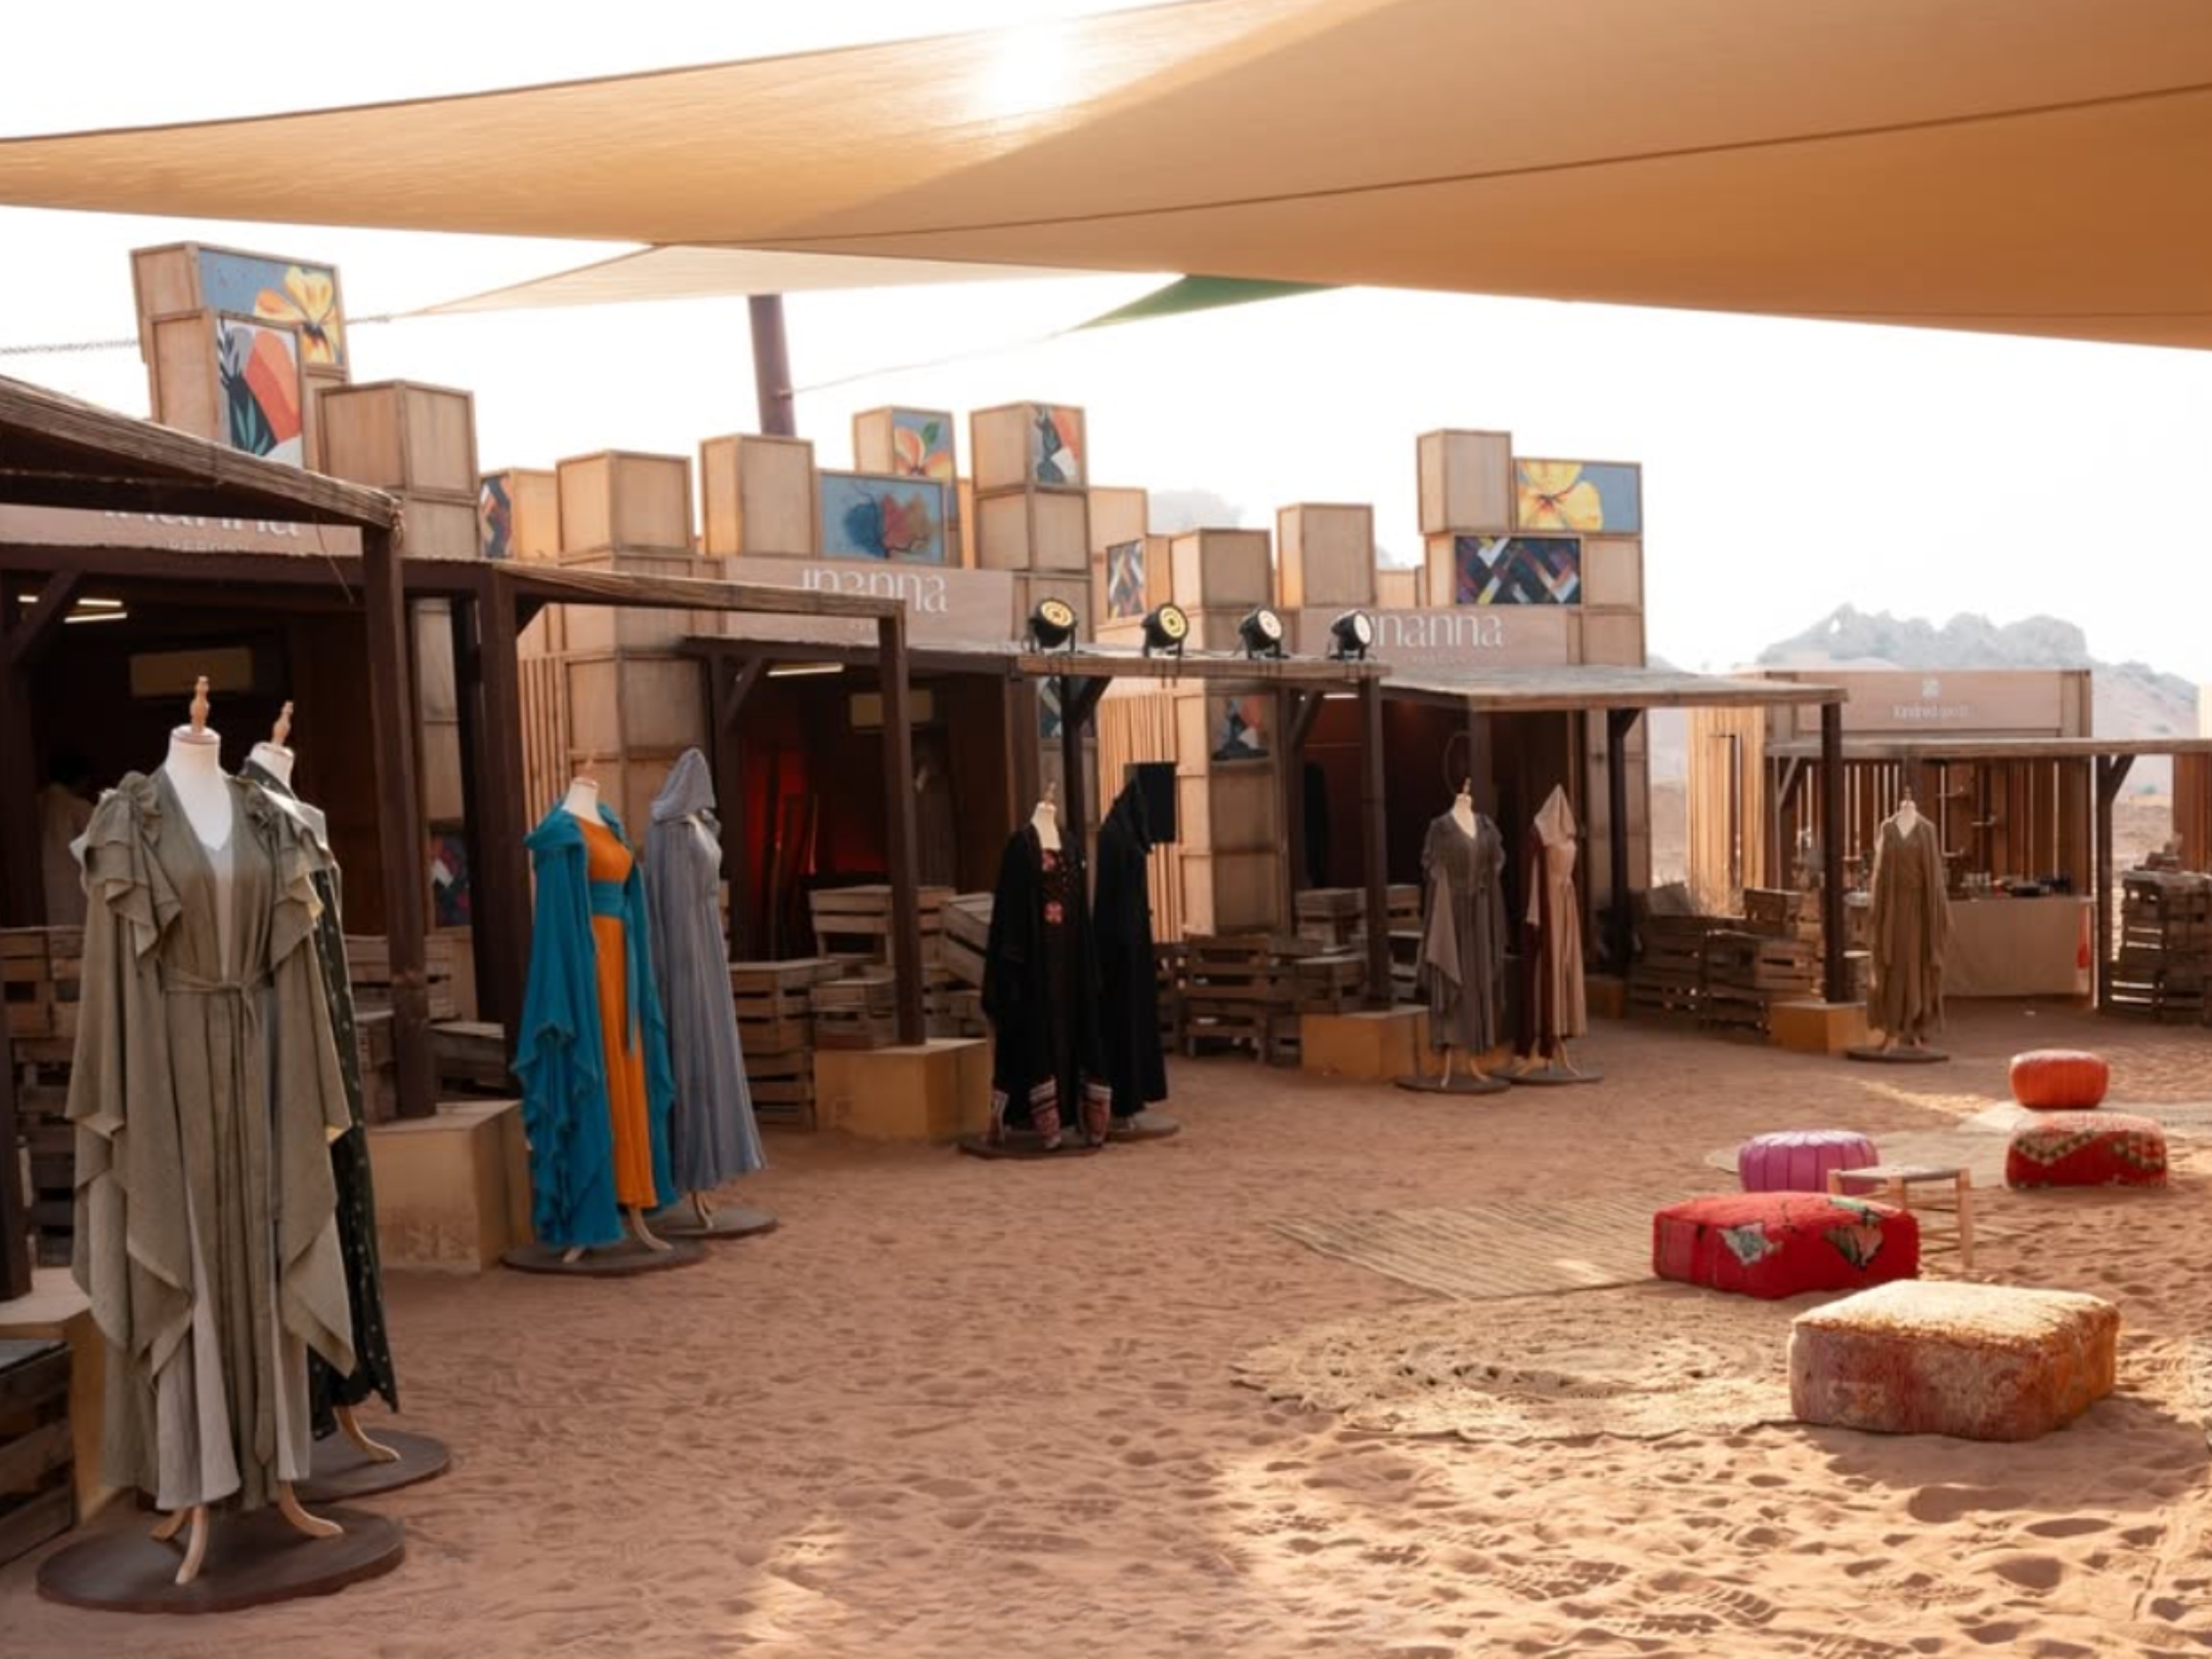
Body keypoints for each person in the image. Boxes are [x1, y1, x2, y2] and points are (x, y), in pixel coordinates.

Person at [38, 750, 95, 926]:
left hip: (38, 897)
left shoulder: (31, 806)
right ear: (82, 779)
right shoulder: (79, 808)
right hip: (73, 892)